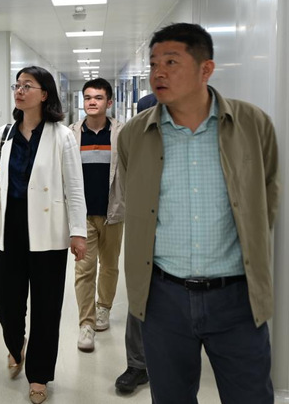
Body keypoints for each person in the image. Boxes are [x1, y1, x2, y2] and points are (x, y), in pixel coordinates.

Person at [117, 23, 280, 403]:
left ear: (206, 69)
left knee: (250, 396)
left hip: (236, 297)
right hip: (163, 297)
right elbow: (133, 199)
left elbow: (268, 194)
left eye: (171, 62)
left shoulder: (252, 124)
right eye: (153, 63)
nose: (158, 73)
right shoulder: (134, 135)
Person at [0, 66, 87, 404]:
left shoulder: (62, 136)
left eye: (27, 86)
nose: (19, 91)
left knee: (47, 308)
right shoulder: (3, 134)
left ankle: (39, 375)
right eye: (17, 85)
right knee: (4, 296)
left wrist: (78, 232)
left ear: (44, 94)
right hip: (9, 230)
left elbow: (74, 188)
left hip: (48, 234)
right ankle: (15, 342)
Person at [68, 78, 124, 353]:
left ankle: (104, 308)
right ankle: (86, 323)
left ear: (109, 102)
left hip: (113, 211)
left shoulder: (121, 134)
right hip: (83, 215)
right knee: (84, 269)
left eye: (98, 97)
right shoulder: (71, 134)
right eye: (88, 97)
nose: (92, 102)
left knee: (110, 266)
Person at [115, 93, 157, 393]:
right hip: (145, 232)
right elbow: (127, 185)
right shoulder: (133, 144)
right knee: (139, 299)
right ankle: (137, 365)